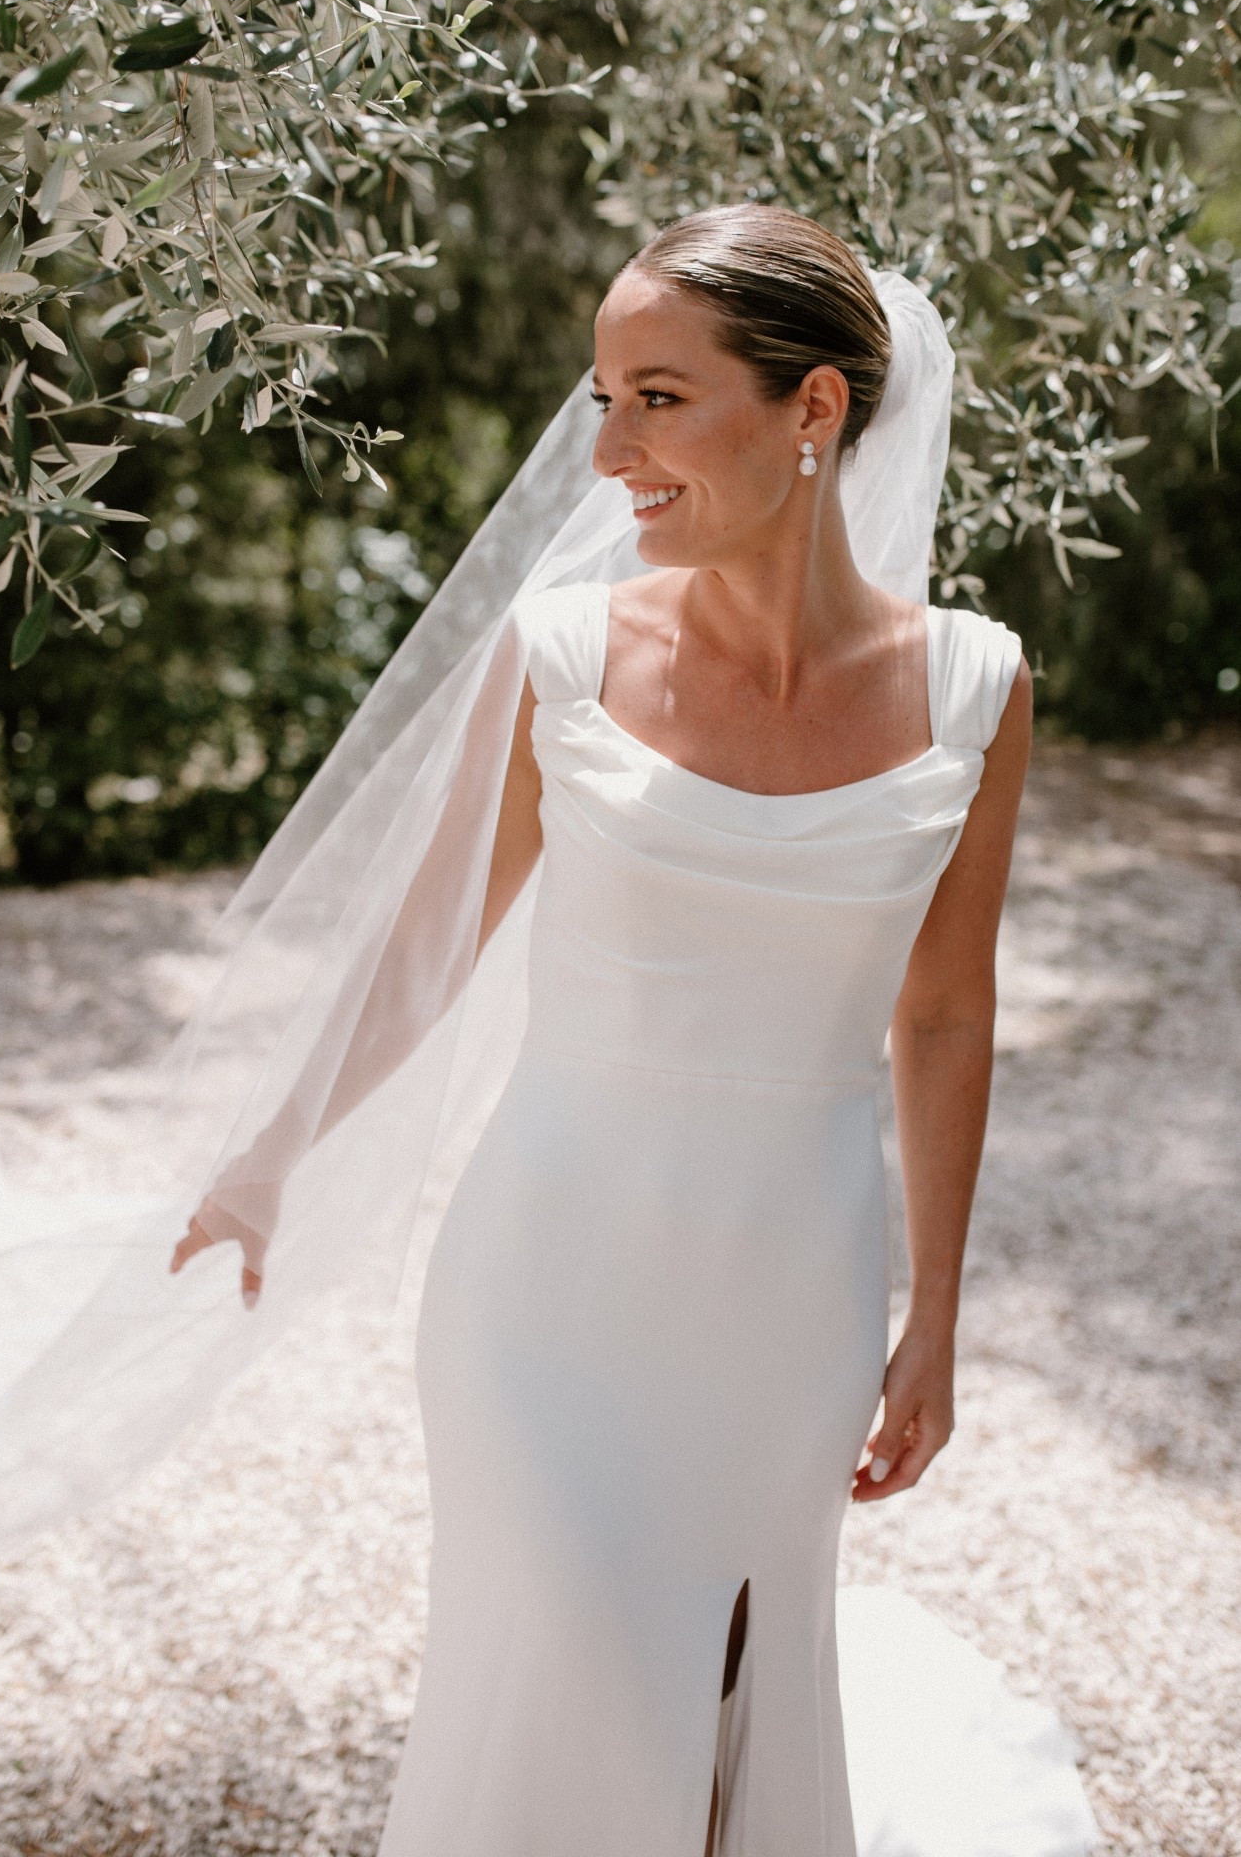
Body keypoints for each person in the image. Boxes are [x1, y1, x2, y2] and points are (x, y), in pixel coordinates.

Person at [165, 206, 1097, 1856]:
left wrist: (934, 1319)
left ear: (812, 410)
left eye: (656, 400)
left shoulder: (974, 687)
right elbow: (423, 950)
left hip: (789, 1300)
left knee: (729, 1703)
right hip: (540, 1293)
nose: (607, 456)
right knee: (572, 1671)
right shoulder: (564, 658)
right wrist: (266, 1156)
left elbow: (946, 1011)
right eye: (602, 402)